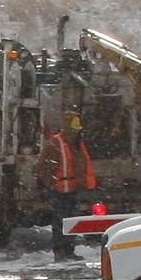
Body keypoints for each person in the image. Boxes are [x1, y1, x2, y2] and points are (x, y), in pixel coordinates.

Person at [46, 112, 98, 261]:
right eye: (73, 128)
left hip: (73, 188)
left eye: (77, 128)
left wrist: (84, 183)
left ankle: (69, 250)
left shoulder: (76, 144)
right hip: (59, 189)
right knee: (60, 221)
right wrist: (51, 183)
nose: (75, 132)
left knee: (72, 221)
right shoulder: (55, 142)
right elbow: (44, 166)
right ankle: (59, 251)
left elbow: (82, 165)